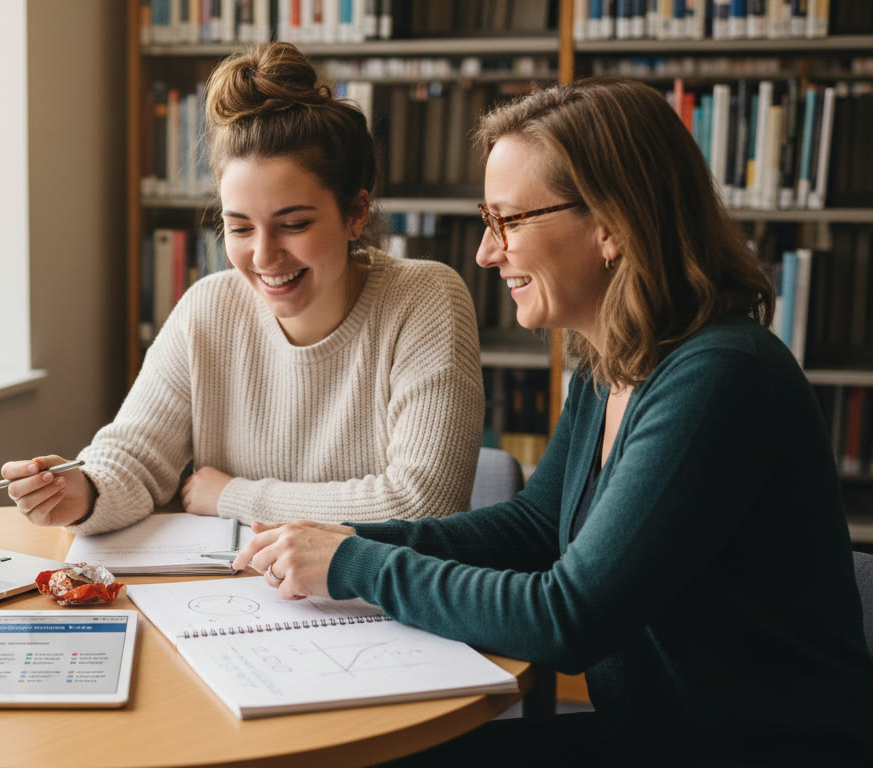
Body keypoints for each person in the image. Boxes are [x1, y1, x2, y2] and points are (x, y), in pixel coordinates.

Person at [233, 78, 873, 765]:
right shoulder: (614, 358)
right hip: (653, 738)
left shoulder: (720, 377)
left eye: (509, 221)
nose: (485, 252)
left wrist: (356, 563)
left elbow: (567, 616)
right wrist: (344, 539)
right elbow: (535, 528)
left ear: (612, 225)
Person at [0, 42, 484, 534]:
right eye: (240, 228)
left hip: (363, 606)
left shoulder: (425, 299)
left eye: (293, 224)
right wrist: (81, 492)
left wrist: (234, 495)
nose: (264, 256)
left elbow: (425, 504)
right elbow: (133, 456)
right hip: (234, 602)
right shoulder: (208, 308)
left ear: (356, 213)